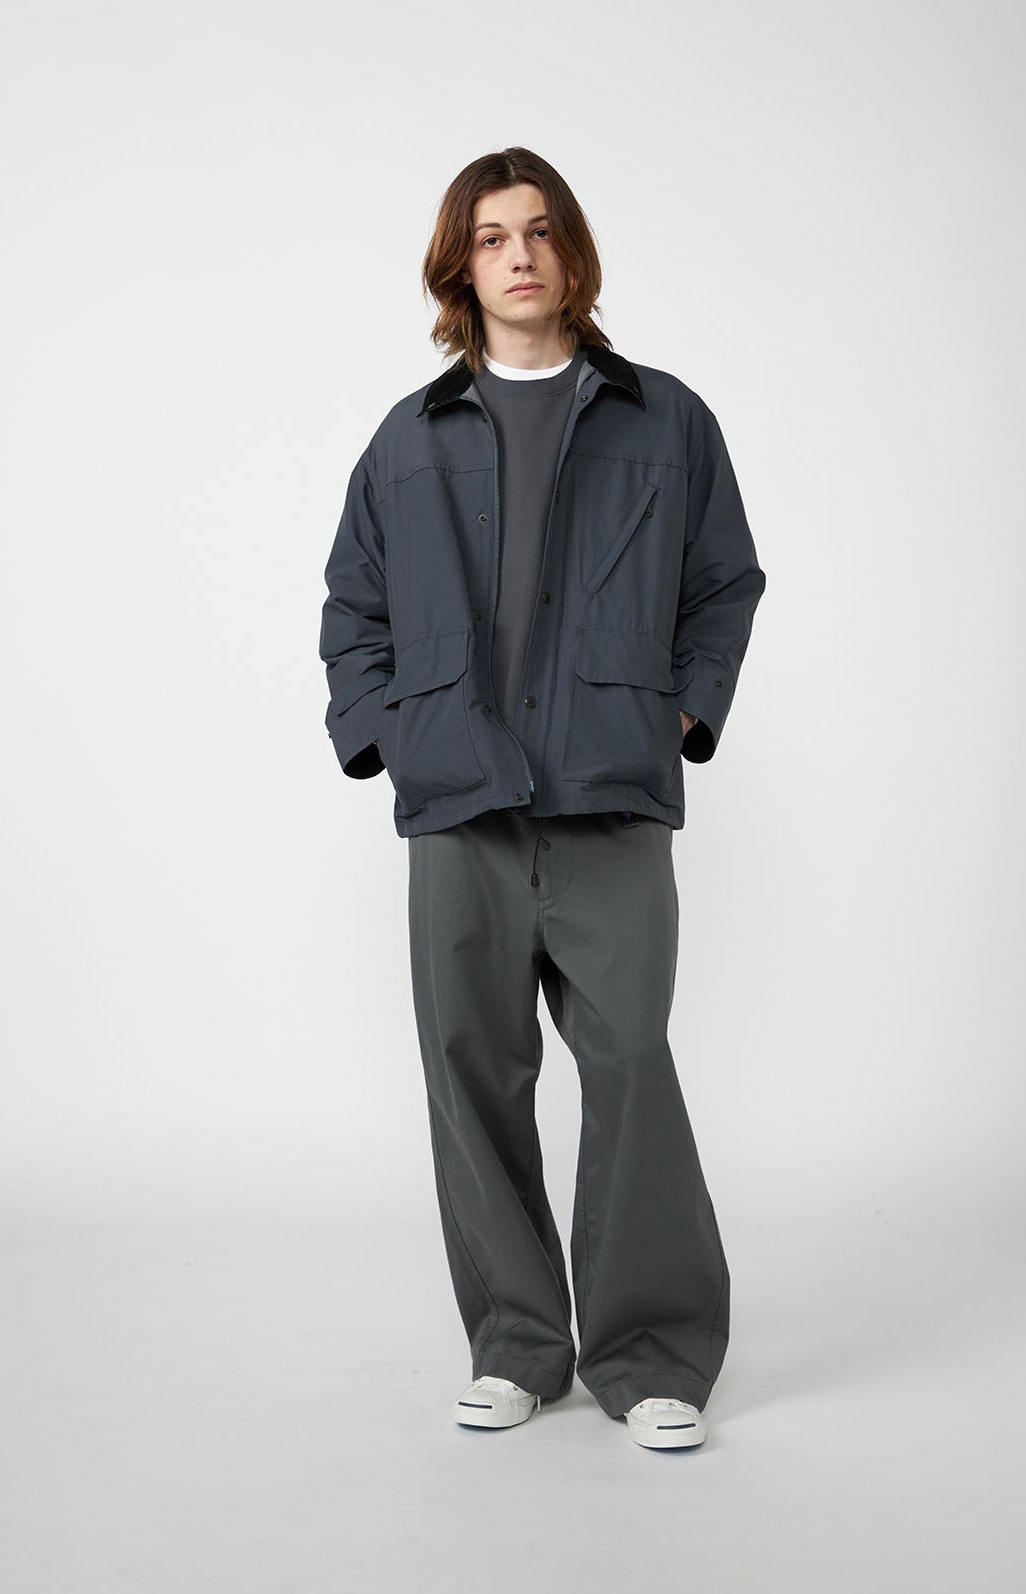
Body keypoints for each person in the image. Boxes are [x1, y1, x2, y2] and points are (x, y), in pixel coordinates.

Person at [320, 148, 765, 1450]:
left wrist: (680, 712)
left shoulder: (664, 419)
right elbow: (353, 608)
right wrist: (389, 734)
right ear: (459, 267)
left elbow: (723, 583)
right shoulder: (408, 438)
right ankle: (519, 1342)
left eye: (540, 230)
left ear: (573, 253)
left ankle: (652, 1350)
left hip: (607, 797)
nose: (519, 255)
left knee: (629, 1062)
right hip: (461, 803)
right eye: (492, 236)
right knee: (472, 1070)